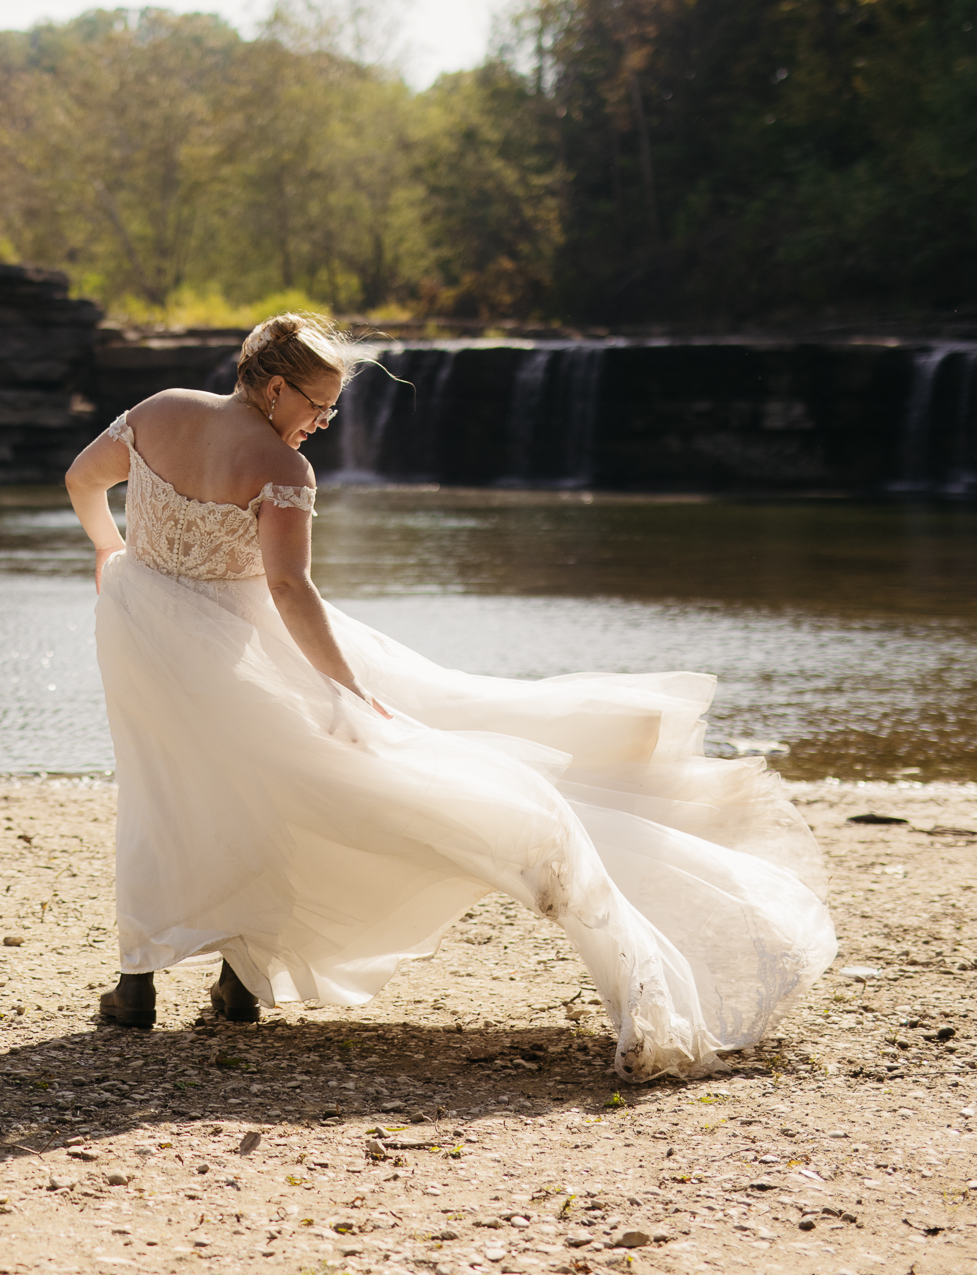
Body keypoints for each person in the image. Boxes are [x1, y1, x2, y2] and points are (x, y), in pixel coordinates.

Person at [65, 313, 836, 1080]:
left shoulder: (162, 409)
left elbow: (82, 478)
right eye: (317, 406)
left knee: (164, 788)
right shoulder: (280, 469)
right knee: (277, 789)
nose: (324, 424)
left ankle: (145, 984)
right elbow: (290, 588)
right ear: (273, 387)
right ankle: (238, 976)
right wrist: (347, 688)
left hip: (142, 626)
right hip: (241, 641)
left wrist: (111, 549)